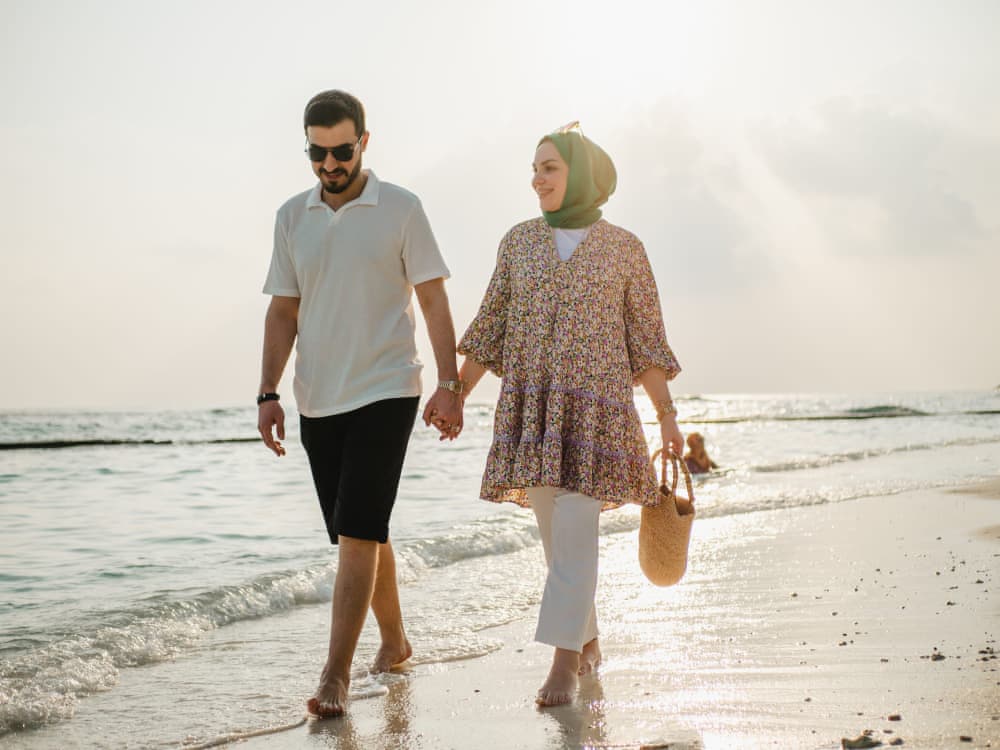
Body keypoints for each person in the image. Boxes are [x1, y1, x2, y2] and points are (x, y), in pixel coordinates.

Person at [454, 123, 684, 707]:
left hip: (598, 411)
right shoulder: (518, 242)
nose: (537, 178)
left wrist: (668, 418)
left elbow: (647, 344)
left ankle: (563, 665)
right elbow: (490, 328)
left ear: (580, 174)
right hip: (532, 411)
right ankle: (588, 641)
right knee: (558, 544)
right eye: (534, 168)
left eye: (550, 167)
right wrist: (455, 391)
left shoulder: (624, 248)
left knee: (577, 534)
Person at [256, 89, 464, 718]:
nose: (329, 164)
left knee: (357, 530)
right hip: (318, 399)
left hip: (388, 387)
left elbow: (432, 299)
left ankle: (335, 676)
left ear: (363, 143)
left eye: (340, 151)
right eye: (317, 153)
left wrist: (450, 385)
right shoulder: (292, 216)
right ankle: (396, 642)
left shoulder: (401, 208)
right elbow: (283, 309)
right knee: (362, 530)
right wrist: (268, 391)